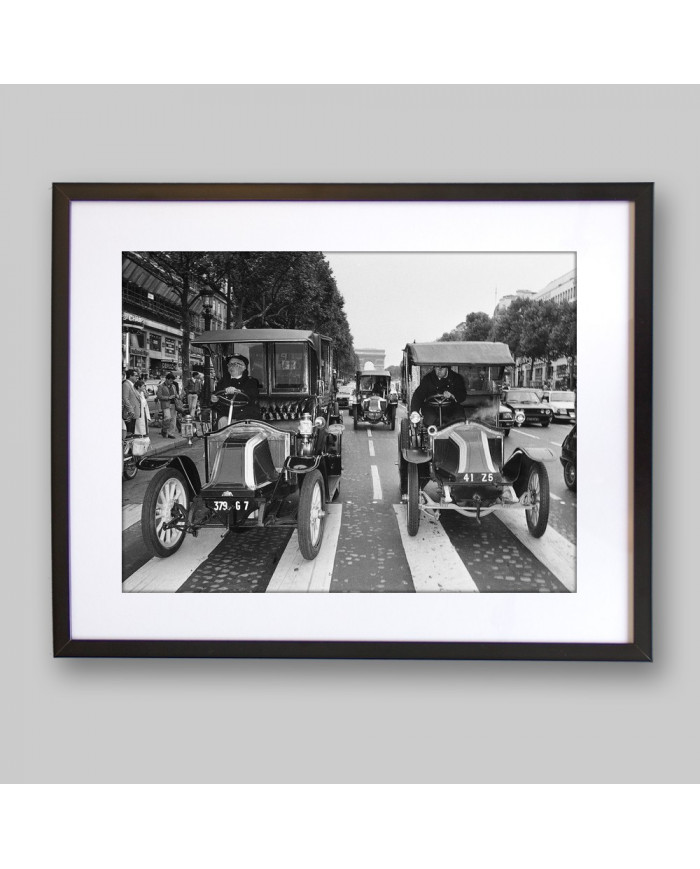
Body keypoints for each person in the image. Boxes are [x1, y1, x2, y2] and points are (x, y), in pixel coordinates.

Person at [211, 354, 261, 428]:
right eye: (230, 364)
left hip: (246, 417)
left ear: (243, 367)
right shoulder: (222, 382)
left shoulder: (251, 382)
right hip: (227, 416)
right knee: (222, 421)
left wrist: (239, 391)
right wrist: (214, 399)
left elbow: (252, 395)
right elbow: (216, 397)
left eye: (235, 364)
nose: (231, 367)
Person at [157, 372, 179, 438]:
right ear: (167, 379)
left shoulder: (173, 386)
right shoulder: (161, 386)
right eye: (170, 380)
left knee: (173, 419)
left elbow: (176, 393)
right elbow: (159, 396)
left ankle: (170, 433)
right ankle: (164, 430)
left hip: (174, 404)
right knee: (167, 418)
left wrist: (177, 396)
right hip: (166, 404)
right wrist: (168, 398)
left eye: (172, 381)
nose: (172, 382)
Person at [121, 369, 141, 435]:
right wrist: (130, 410)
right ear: (130, 376)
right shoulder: (126, 384)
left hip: (133, 413)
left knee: (132, 432)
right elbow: (125, 398)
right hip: (129, 413)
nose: (137, 377)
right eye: (136, 375)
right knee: (128, 432)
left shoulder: (133, 385)